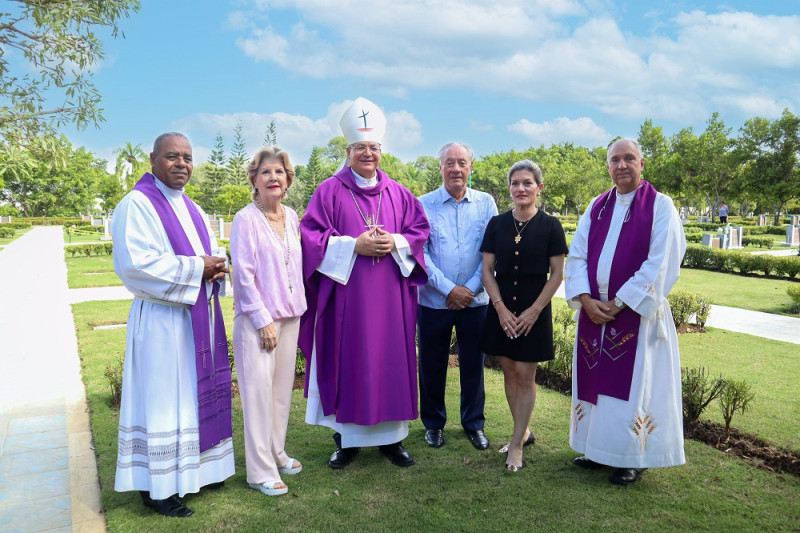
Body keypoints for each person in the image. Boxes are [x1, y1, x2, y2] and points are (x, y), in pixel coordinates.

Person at [299, 97, 430, 468]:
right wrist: (351, 245)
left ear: (381, 151)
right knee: (351, 360)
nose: (367, 153)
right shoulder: (328, 191)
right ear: (348, 150)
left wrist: (397, 242)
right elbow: (310, 237)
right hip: (349, 301)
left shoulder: (400, 193)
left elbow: (419, 232)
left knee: (391, 360)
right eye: (360, 148)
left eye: (373, 147)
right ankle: (347, 441)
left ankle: (394, 440)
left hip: (392, 301)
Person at [112, 132, 234, 517]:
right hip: (162, 323)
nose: (182, 163)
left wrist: (216, 267)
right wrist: (201, 267)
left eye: (187, 157)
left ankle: (197, 471)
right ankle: (157, 486)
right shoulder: (137, 205)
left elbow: (210, 254)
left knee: (192, 396)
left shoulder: (195, 209)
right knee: (164, 400)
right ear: (152, 159)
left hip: (195, 318)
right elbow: (136, 265)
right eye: (172, 156)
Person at [564, 139, 687, 485]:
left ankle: (632, 458)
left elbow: (661, 261)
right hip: (595, 314)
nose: (621, 165)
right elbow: (577, 256)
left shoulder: (661, 207)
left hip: (636, 315)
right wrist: (586, 300)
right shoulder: (597, 206)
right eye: (615, 160)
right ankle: (597, 450)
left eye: (628, 158)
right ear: (607, 166)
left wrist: (620, 303)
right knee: (596, 389)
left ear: (642, 163)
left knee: (634, 389)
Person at [480, 160, 568, 472]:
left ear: (539, 188)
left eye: (527, 183)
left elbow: (557, 274)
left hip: (535, 311)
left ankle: (516, 445)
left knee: (526, 375)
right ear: (509, 189)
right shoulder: (497, 224)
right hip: (502, 311)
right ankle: (524, 432)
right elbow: (487, 272)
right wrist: (501, 308)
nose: (521, 188)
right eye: (515, 183)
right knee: (509, 372)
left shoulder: (551, 226)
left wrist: (533, 311)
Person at [230, 146, 307, 497]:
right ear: (254, 179)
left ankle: (276, 452)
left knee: (279, 394)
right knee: (258, 396)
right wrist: (263, 321)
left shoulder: (291, 216)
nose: (273, 177)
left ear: (288, 180)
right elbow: (243, 276)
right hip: (258, 321)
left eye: (279, 172)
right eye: (266, 172)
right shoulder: (246, 219)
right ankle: (259, 471)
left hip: (290, 316)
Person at [417, 142, 497, 451]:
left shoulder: (485, 203)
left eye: (462, 162)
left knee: (473, 365)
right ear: (440, 168)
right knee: (432, 364)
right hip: (434, 301)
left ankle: (473, 423)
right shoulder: (423, 204)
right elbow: (420, 253)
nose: (456, 169)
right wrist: (449, 289)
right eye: (449, 163)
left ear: (470, 167)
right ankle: (434, 424)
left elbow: (491, 251)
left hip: (475, 302)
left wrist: (469, 290)